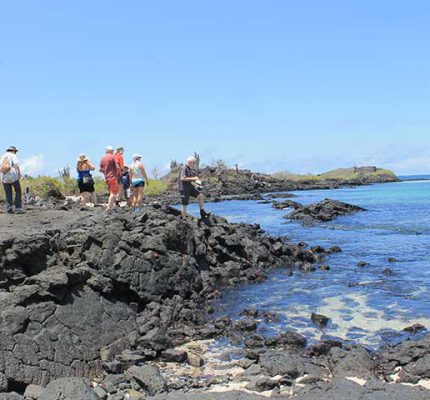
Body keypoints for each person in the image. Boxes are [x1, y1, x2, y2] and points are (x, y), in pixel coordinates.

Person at [179, 156, 210, 221]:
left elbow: (190, 180)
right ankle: (184, 219)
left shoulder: (190, 169)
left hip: (190, 188)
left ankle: (202, 211)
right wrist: (194, 178)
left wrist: (197, 185)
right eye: (194, 163)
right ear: (190, 162)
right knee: (184, 204)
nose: (194, 164)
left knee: (200, 196)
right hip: (184, 189)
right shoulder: (184, 168)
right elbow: (182, 178)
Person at [0, 146, 25, 214]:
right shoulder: (12, 155)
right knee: (18, 190)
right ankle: (18, 208)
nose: (15, 153)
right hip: (12, 176)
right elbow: (16, 164)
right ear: (13, 151)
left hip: (4, 177)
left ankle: (9, 208)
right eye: (15, 151)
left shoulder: (2, 156)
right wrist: (19, 173)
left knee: (8, 193)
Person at [99, 146, 120, 210]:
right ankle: (108, 207)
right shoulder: (113, 156)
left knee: (111, 192)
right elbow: (118, 167)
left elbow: (100, 169)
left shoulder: (102, 158)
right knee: (113, 192)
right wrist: (118, 173)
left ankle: (112, 207)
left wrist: (106, 173)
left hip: (107, 178)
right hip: (113, 177)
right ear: (111, 151)